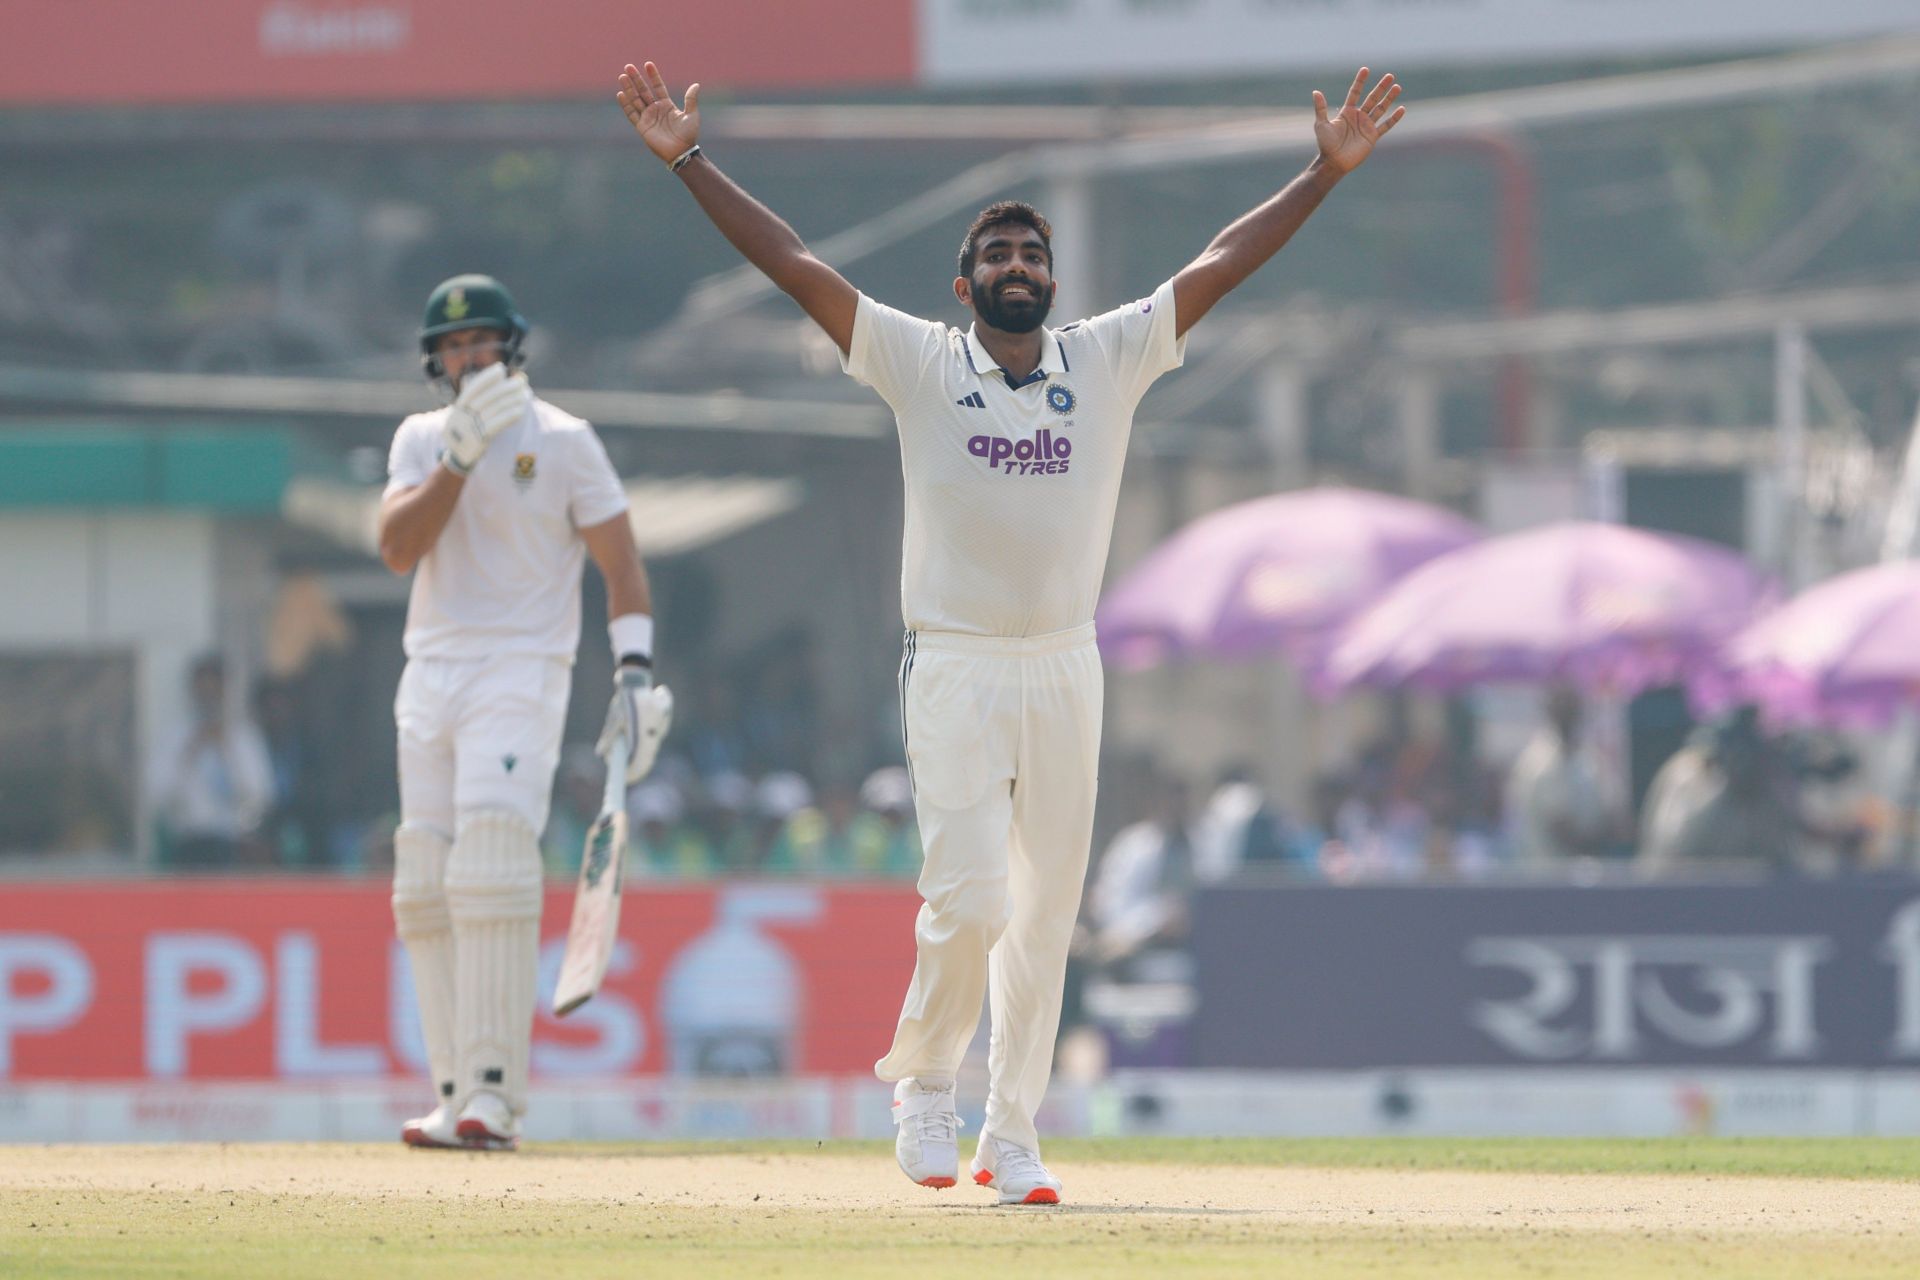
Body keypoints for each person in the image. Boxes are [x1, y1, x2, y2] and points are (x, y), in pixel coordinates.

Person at [616, 56, 1404, 1204]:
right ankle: (923, 1078)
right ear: (965, 283)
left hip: (1064, 663)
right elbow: (794, 266)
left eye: (1033, 254)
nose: (1019, 267)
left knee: (1044, 919)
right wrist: (689, 161)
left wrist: (1319, 178)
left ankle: (1016, 1129)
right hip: (957, 660)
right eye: (999, 256)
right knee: (972, 898)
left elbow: (1219, 266)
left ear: (1053, 278)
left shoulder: (1106, 355)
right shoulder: (919, 361)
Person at [377, 273, 672, 1152]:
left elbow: (622, 567)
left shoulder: (567, 441)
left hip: (522, 667)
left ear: (513, 347)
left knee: (494, 865)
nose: (469, 358)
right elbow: (397, 550)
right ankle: (451, 1093)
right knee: (423, 882)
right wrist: (458, 460)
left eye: (482, 343)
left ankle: (496, 1096)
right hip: (429, 670)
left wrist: (633, 673)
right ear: (436, 361)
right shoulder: (421, 439)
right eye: (453, 347)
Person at [151, 654, 274, 870]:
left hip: (233, 845)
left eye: (214, 691)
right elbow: (158, 794)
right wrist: (190, 753)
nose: (208, 698)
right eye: (203, 691)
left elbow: (260, 794)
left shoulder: (243, 738)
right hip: (188, 842)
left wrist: (228, 753)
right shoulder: (173, 738)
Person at [1503, 686, 1622, 871]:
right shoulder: (1540, 760)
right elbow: (1561, 828)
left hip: (1580, 877)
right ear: (1550, 710)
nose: (1568, 711)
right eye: (1561, 705)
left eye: (1572, 705)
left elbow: (1610, 814)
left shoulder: (1585, 757)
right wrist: (1601, 842)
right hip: (1546, 880)